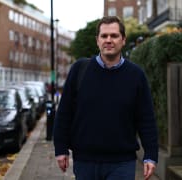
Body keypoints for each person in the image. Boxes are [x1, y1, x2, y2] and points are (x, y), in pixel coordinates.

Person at [53, 16, 158, 180]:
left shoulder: (136, 75)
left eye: (114, 36)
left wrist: (150, 155)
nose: (109, 40)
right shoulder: (79, 70)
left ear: (123, 40)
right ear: (97, 40)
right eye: (104, 36)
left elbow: (146, 119)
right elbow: (64, 112)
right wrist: (60, 149)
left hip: (122, 164)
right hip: (84, 162)